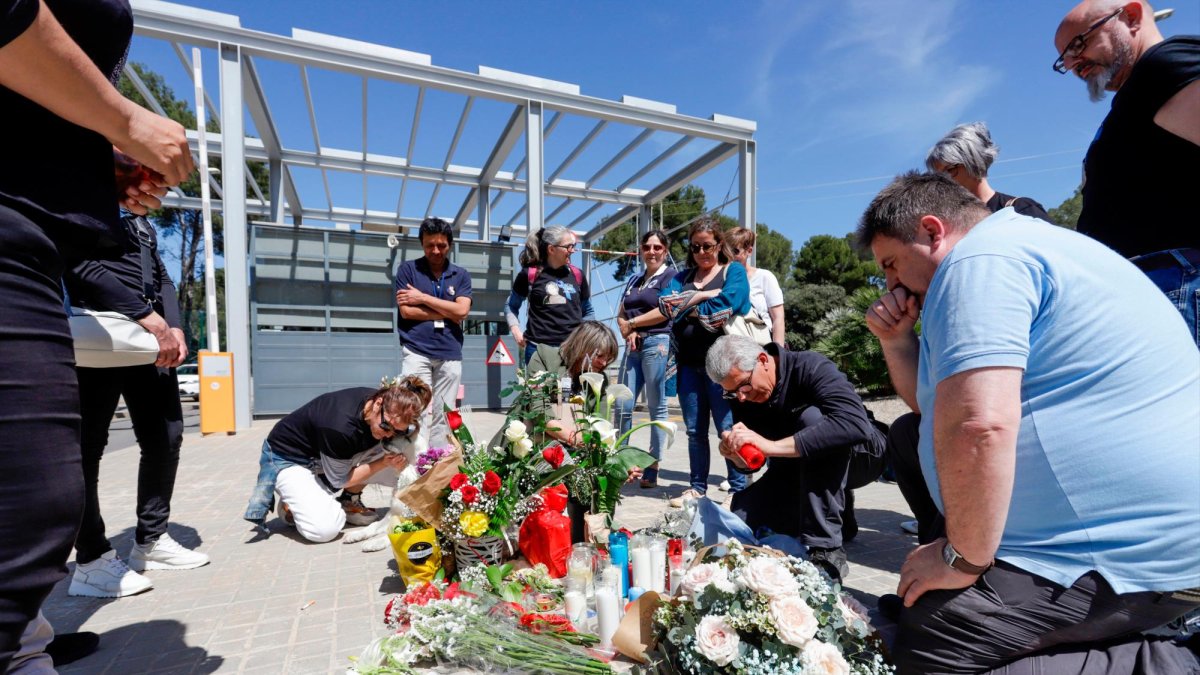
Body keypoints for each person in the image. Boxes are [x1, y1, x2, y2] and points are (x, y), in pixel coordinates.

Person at [860, 171, 1200, 673]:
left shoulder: (978, 261)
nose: (890, 284)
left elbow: (980, 426)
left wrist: (962, 558)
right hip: (1131, 540)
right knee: (907, 615)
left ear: (933, 232)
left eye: (891, 264)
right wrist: (895, 342)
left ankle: (1169, 660)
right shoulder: (1017, 246)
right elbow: (933, 413)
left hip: (1135, 555)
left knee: (930, 644)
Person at [0, 0, 192, 668]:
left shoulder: (127, 224)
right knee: (49, 482)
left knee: (51, 488)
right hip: (97, 323)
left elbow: (157, 269)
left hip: (43, 237)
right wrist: (128, 120)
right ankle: (88, 564)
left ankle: (29, 638)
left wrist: (95, 160)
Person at [62, 215, 205, 599]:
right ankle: (91, 560)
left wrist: (172, 328)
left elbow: (163, 279)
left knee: (166, 438)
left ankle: (151, 541)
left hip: (151, 343)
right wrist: (149, 320)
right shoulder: (83, 204)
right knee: (86, 448)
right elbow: (77, 264)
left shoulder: (142, 224)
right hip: (98, 335)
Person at [1053, 0, 1200, 343]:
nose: (1074, 63)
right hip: (1153, 287)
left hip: (1177, 281)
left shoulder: (1165, 64)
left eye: (1079, 44)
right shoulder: (1142, 88)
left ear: (1131, 17)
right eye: (1065, 59)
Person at [706, 335, 885, 584]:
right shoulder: (744, 394)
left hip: (863, 453)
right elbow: (756, 462)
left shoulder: (810, 366)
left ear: (763, 360)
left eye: (743, 386)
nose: (741, 397)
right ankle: (840, 517)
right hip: (798, 466)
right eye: (731, 393)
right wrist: (737, 456)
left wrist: (771, 446)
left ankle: (827, 551)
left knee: (812, 421)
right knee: (740, 524)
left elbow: (854, 425)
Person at [243, 377, 430, 543]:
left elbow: (402, 440)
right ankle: (290, 507)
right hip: (291, 459)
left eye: (397, 431)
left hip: (329, 456)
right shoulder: (339, 426)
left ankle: (348, 500)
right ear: (377, 403)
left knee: (408, 473)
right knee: (325, 529)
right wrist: (382, 463)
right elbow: (340, 480)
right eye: (385, 426)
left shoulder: (387, 405)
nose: (389, 435)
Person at [659, 218, 751, 507]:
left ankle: (739, 489)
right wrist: (704, 295)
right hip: (688, 365)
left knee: (727, 427)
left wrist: (692, 301)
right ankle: (697, 488)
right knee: (695, 431)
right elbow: (666, 305)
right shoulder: (680, 276)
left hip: (724, 368)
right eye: (696, 246)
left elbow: (730, 302)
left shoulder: (732, 271)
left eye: (708, 246)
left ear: (719, 245)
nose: (702, 252)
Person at [394, 216, 473, 447]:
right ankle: (412, 463)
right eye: (430, 245)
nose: (436, 250)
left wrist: (422, 298)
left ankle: (436, 462)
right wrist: (449, 312)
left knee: (445, 413)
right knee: (412, 409)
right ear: (422, 244)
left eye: (441, 245)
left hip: (449, 353)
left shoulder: (461, 275)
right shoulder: (408, 270)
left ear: (450, 245)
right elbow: (407, 312)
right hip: (416, 351)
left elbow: (462, 310)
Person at [615, 230, 674, 488]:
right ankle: (620, 465)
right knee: (621, 405)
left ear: (665, 250)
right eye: (648, 246)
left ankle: (652, 465)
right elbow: (620, 313)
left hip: (657, 343)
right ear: (641, 249)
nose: (652, 251)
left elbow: (664, 310)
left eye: (658, 247)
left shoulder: (671, 277)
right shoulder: (633, 280)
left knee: (656, 408)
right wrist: (627, 330)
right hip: (632, 347)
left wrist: (633, 323)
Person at [925, 122, 1052, 221]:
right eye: (939, 175)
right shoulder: (950, 224)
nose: (944, 179)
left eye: (950, 169)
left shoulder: (1020, 209)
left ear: (973, 161)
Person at [506, 225, 594, 366]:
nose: (572, 250)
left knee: (570, 389)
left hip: (572, 350)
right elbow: (511, 305)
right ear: (551, 249)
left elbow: (588, 311)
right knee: (539, 389)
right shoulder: (530, 274)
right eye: (568, 246)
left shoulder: (577, 275)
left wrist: (587, 339)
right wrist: (515, 329)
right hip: (537, 349)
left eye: (573, 246)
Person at [725, 227, 786, 345]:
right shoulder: (721, 279)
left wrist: (778, 354)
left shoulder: (764, 277)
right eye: (726, 251)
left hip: (760, 346)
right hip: (731, 347)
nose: (730, 255)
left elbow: (778, 318)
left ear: (749, 251)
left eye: (735, 251)